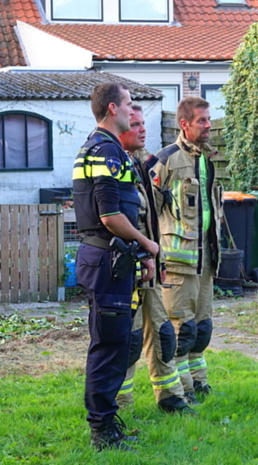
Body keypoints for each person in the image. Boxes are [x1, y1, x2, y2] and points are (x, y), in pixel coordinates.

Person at [73, 82, 159, 452]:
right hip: (107, 260)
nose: (131, 111)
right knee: (109, 345)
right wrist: (148, 244)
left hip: (111, 260)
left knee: (115, 341)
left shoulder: (102, 148)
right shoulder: (105, 151)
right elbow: (110, 215)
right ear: (112, 108)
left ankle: (108, 424)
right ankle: (102, 431)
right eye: (127, 104)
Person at [114, 104, 194, 414]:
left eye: (143, 123)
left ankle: (170, 397)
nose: (143, 129)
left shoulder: (141, 165)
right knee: (129, 341)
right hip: (126, 269)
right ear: (119, 127)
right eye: (135, 124)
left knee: (163, 333)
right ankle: (118, 406)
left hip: (150, 265)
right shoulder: (114, 167)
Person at [151, 96, 223, 404]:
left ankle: (199, 383)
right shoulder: (165, 160)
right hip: (178, 262)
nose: (209, 126)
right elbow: (148, 211)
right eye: (202, 121)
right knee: (180, 331)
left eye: (209, 120)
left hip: (206, 258)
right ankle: (179, 391)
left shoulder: (207, 159)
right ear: (184, 124)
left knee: (201, 328)